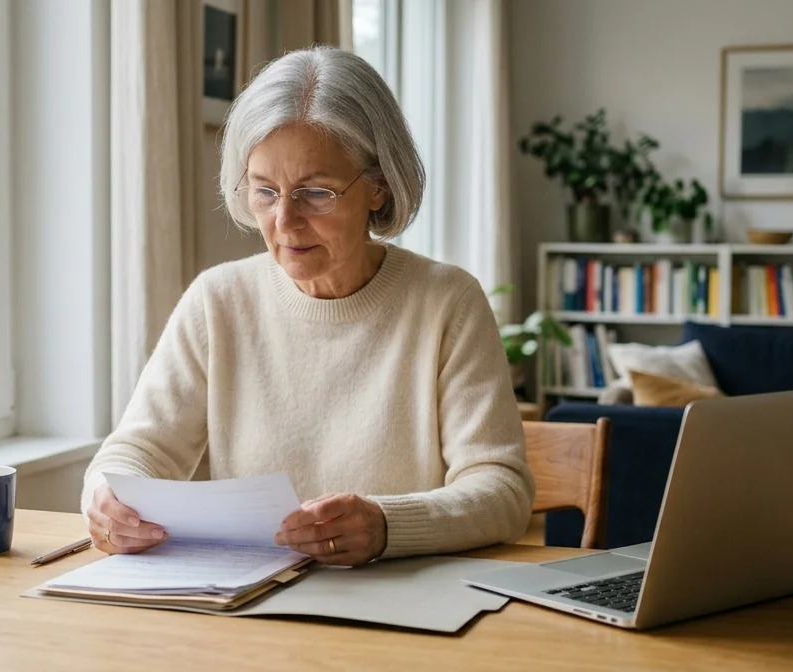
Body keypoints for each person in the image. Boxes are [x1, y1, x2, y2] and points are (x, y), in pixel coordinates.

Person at [80, 46, 532, 567]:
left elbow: (502, 491)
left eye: (315, 192)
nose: (285, 222)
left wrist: (387, 526)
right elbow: (137, 450)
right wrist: (105, 500)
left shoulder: (447, 303)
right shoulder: (218, 300)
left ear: (379, 188)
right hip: (248, 603)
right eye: (265, 191)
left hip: (400, 606)